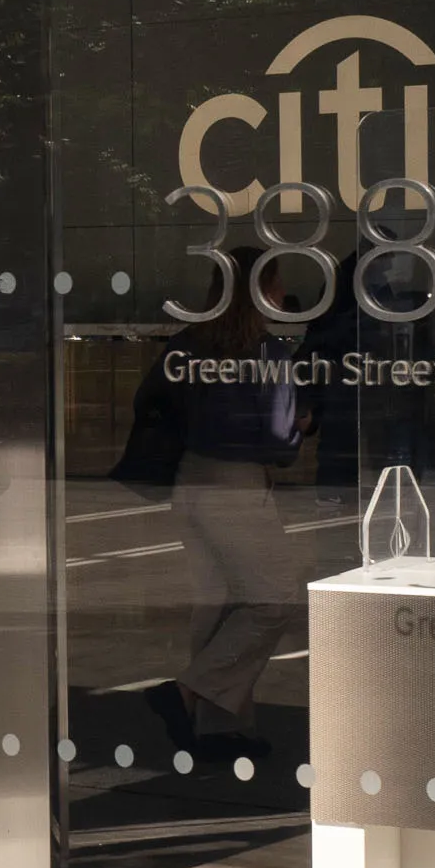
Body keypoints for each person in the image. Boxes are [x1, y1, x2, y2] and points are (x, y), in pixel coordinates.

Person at [142, 248, 304, 760]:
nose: (283, 293)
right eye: (277, 284)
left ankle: (218, 732)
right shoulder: (268, 352)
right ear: (261, 292)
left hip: (189, 479)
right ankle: (188, 691)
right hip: (236, 486)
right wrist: (302, 428)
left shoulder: (187, 345)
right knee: (274, 600)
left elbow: (152, 404)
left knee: (217, 603)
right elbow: (280, 442)